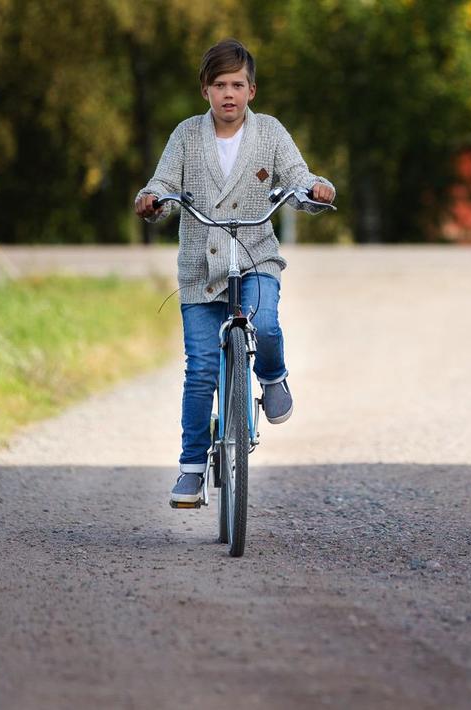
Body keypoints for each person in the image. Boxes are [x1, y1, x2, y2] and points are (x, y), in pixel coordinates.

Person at [134, 38, 335, 507]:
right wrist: (152, 199)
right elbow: (163, 182)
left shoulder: (269, 133)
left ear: (252, 91)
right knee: (201, 370)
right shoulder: (186, 135)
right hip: (201, 269)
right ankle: (191, 469)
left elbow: (297, 175)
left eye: (238, 85)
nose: (229, 93)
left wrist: (314, 189)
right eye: (220, 84)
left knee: (264, 325)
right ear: (205, 90)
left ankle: (271, 375)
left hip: (254, 257)